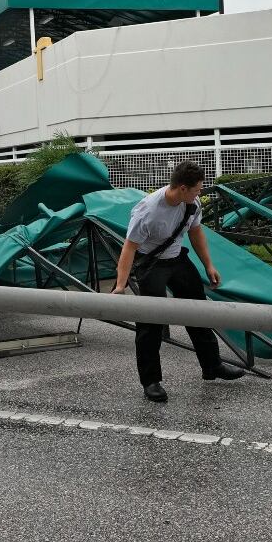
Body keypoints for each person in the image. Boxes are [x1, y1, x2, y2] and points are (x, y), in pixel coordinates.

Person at [111, 161, 245, 403]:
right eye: (197, 189)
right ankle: (151, 381)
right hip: (151, 264)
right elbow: (129, 248)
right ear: (182, 188)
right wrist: (120, 285)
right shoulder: (148, 211)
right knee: (151, 322)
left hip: (177, 259)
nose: (200, 193)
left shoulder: (191, 204)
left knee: (198, 312)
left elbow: (195, 233)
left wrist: (208, 265)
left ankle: (212, 366)